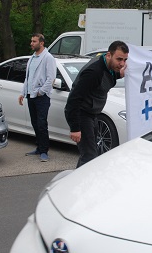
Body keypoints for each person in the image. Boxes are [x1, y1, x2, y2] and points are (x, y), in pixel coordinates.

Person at [65, 41, 128, 168]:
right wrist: (75, 128)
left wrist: (119, 75)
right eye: (119, 59)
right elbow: (74, 99)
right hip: (82, 115)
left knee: (88, 154)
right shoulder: (93, 72)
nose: (122, 64)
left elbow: (106, 77)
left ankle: (76, 178)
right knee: (89, 157)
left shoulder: (108, 67)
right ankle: (80, 180)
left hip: (92, 114)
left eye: (125, 60)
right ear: (109, 55)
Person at [19, 34, 57, 162]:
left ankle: (44, 151)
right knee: (35, 122)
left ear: (41, 43)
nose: (31, 43)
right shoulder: (32, 58)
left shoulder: (48, 58)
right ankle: (39, 147)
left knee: (41, 123)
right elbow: (28, 77)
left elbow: (51, 78)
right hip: (31, 95)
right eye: (31, 41)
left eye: (34, 41)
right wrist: (23, 92)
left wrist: (41, 92)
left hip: (41, 97)